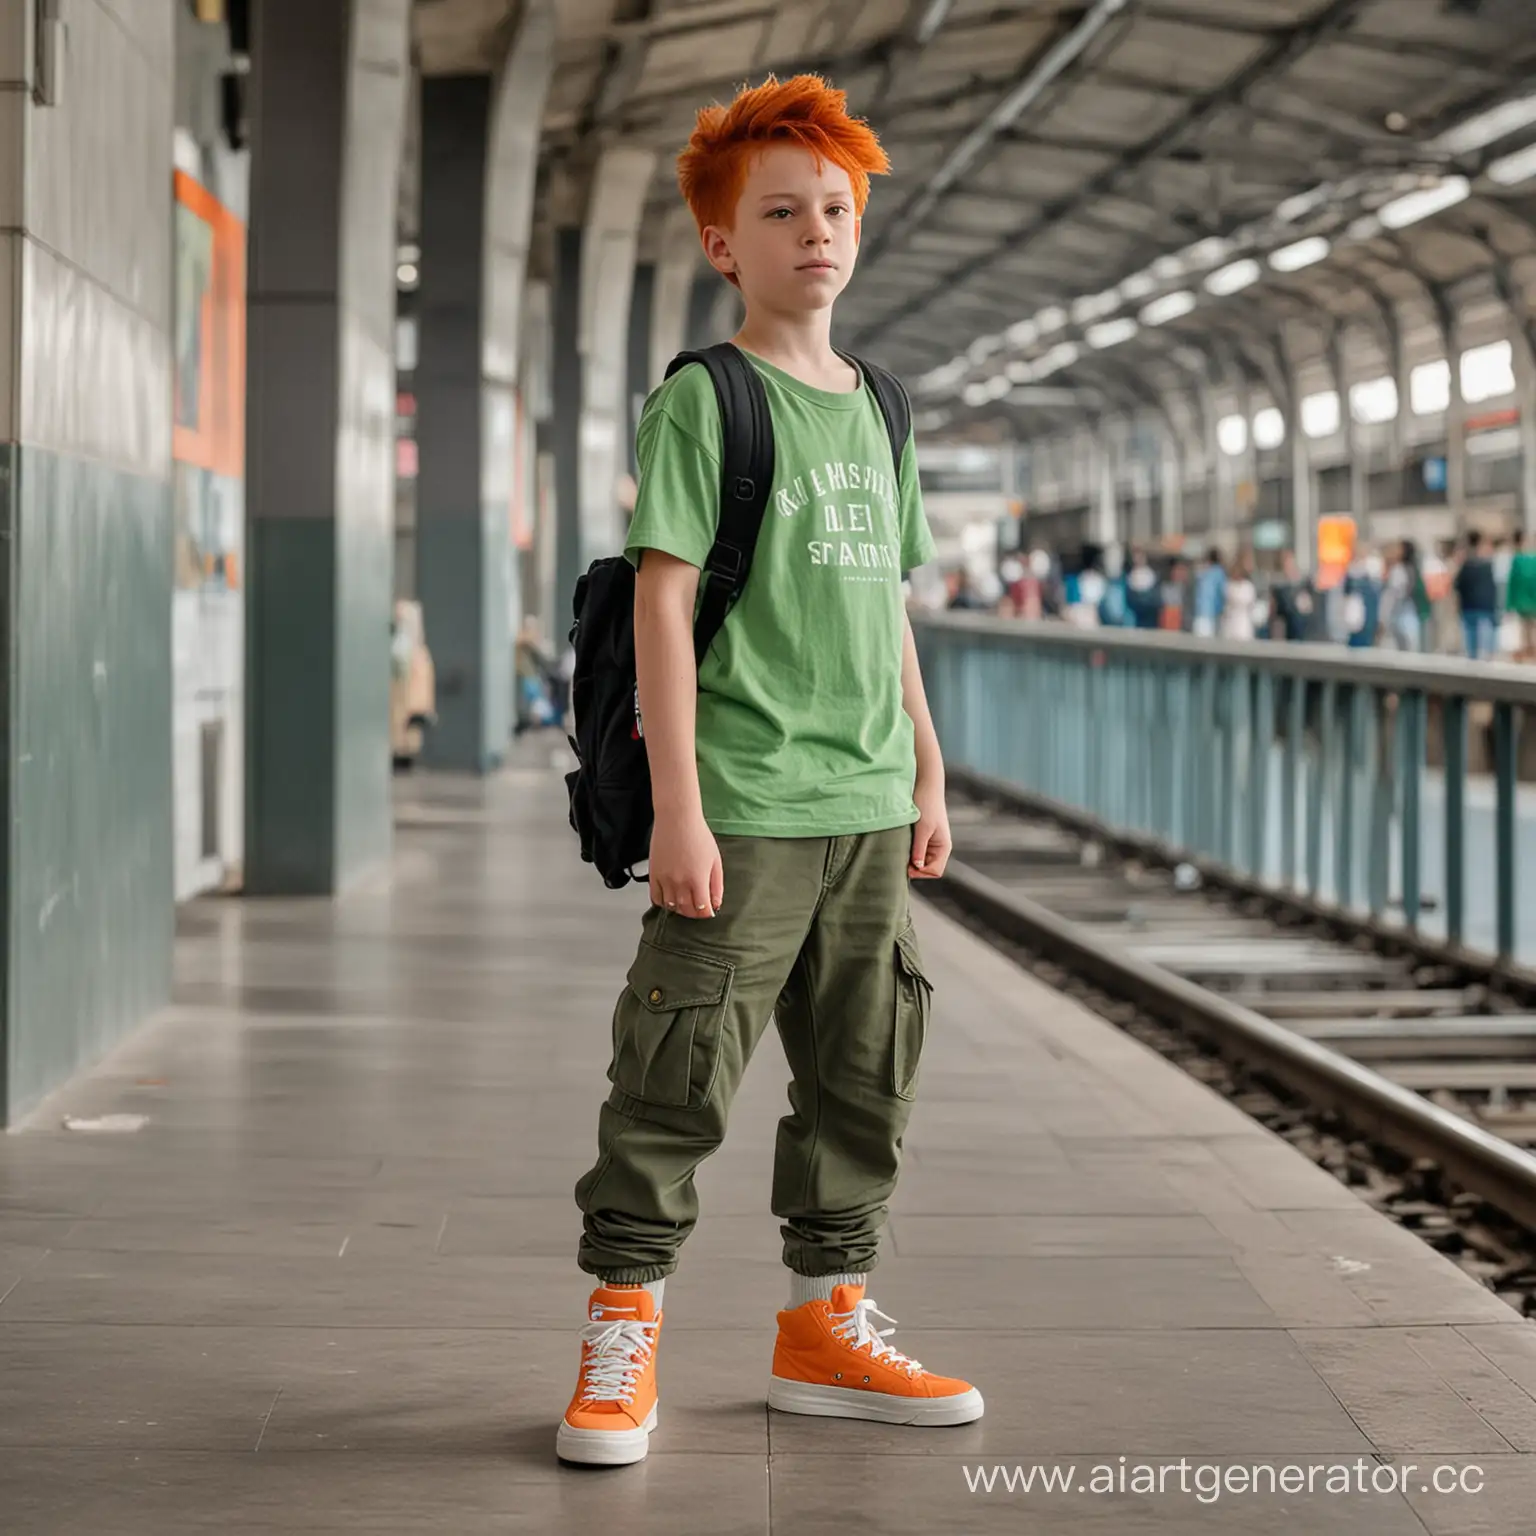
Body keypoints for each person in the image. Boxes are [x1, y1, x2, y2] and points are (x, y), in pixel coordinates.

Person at [560, 75, 983, 1468]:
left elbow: (888, 605)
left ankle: (825, 1327)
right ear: (722, 244)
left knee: (867, 1073)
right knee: (676, 1075)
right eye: (783, 211)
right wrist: (678, 806)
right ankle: (623, 1330)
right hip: (742, 810)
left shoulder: (882, 408)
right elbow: (662, 605)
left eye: (837, 208)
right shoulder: (710, 401)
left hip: (866, 807)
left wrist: (926, 764)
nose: (817, 231)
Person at [1455, 530, 1499, 661]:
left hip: (1470, 604)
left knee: (1472, 636)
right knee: (1487, 634)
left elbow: (1458, 584)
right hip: (1485, 604)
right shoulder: (1488, 561)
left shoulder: (1464, 561)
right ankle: (1488, 657)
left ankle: (1474, 658)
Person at [1381, 540, 1429, 653]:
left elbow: (1393, 594)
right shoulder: (1411, 569)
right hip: (1406, 609)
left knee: (1407, 645)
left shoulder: (1401, 570)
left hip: (1404, 609)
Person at [1268, 549, 1315, 641]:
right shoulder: (1279, 588)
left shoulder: (1303, 585)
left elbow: (1307, 607)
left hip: (1303, 631)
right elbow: (1274, 614)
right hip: (1287, 633)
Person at [1506, 528, 1536, 660]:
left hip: (1523, 601)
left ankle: (1528, 651)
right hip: (1528, 600)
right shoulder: (1521, 560)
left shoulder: (1517, 560)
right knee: (1528, 629)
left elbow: (1512, 583)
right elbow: (1512, 583)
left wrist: (1510, 603)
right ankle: (1530, 651)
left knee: (1526, 629)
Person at [1221, 553, 1258, 641]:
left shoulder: (1248, 587)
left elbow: (1249, 603)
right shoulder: (1229, 585)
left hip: (1243, 626)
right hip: (1230, 625)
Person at [1191, 546, 1227, 638]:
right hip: (1211, 615)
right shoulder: (1219, 573)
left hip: (1198, 614)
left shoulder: (1201, 573)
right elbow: (1222, 594)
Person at [1124, 545, 1162, 629]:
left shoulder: (1150, 574)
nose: (1137, 559)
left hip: (1148, 614)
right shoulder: (1130, 575)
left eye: (1139, 557)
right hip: (1135, 614)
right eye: (1135, 557)